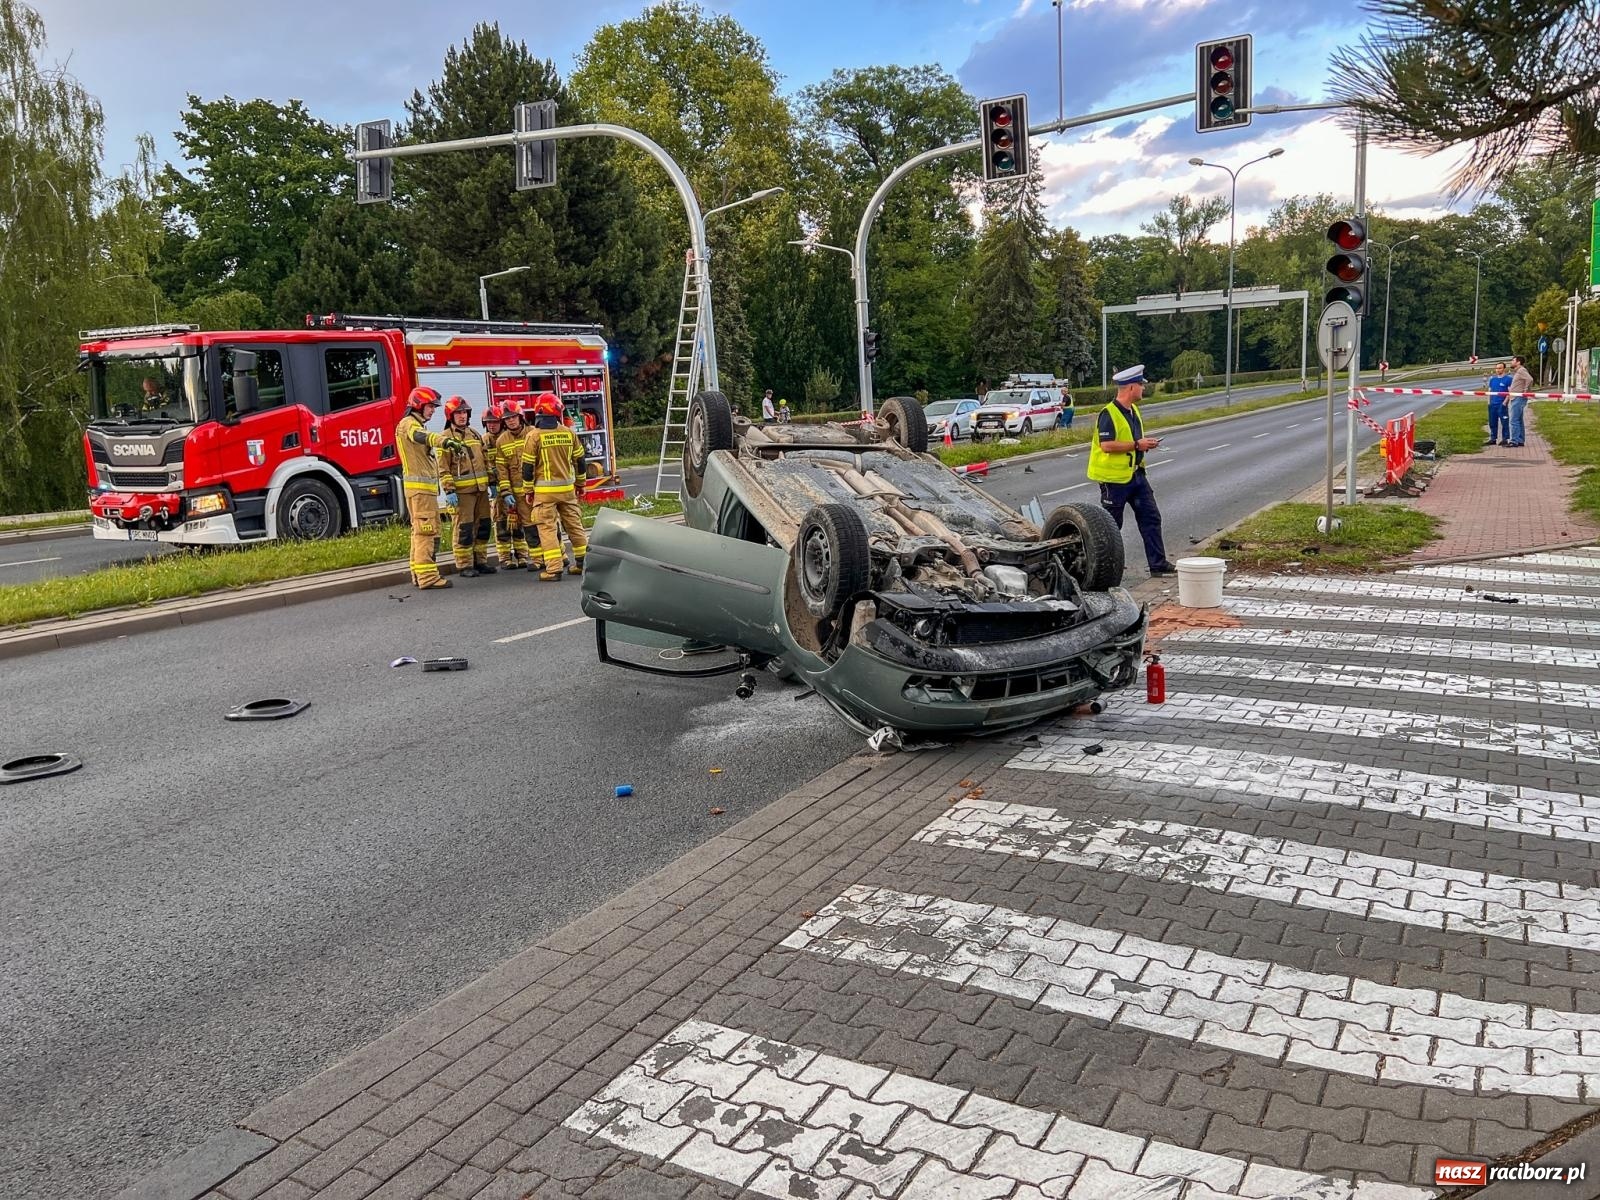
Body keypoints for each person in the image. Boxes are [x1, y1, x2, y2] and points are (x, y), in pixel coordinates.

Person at [1089, 364, 1177, 577]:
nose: (1143, 388)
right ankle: (1102, 570)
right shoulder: (1108, 413)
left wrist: (1144, 444)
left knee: (1151, 518)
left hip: (1136, 475)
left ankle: (1158, 564)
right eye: (1140, 385)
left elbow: (1133, 439)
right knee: (1111, 527)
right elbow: (1107, 445)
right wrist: (1138, 445)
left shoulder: (1134, 410)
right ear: (1130, 387)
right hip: (1114, 481)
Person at [394, 386, 465, 590]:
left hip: (422, 492)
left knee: (420, 532)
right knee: (427, 532)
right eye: (430, 406)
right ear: (419, 405)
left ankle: (419, 574)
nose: (433, 410)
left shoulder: (412, 423)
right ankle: (428, 577)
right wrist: (445, 441)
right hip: (421, 492)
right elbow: (421, 436)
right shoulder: (409, 424)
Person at [521, 392, 588, 580]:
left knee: (547, 529)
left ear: (539, 411)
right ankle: (582, 564)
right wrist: (581, 483)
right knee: (575, 527)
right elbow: (580, 461)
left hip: (544, 494)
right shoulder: (568, 433)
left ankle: (553, 569)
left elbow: (527, 467)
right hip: (567, 491)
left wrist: (528, 490)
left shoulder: (534, 436)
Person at [439, 397, 495, 577]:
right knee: (464, 529)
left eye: (464, 412)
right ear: (450, 416)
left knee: (483, 526)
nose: (462, 416)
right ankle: (465, 565)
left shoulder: (475, 434)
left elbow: (486, 460)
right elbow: (443, 468)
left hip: (481, 491)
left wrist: (492, 482)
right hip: (462, 494)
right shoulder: (445, 438)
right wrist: (449, 490)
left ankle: (481, 561)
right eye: (458, 413)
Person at [492, 399, 538, 569]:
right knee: (529, 526)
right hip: (519, 494)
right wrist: (506, 491)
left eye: (513, 417)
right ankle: (538, 559)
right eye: (507, 418)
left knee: (548, 522)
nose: (510, 421)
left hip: (539, 489)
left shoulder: (533, 433)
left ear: (520, 416)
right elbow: (502, 469)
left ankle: (559, 555)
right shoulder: (502, 440)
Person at [480, 403, 507, 566]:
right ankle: (504, 557)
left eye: (495, 421)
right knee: (500, 522)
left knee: (517, 522)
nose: (491, 425)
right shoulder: (483, 440)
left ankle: (522, 555)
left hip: (511, 487)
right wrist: (491, 482)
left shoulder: (507, 438)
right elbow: (483, 463)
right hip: (496, 488)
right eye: (488, 422)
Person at [1507, 355, 1534, 447]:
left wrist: (1525, 390)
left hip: (1518, 397)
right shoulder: (1518, 371)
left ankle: (1514, 441)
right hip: (1515, 397)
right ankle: (1520, 440)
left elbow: (1530, 379)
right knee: (1518, 419)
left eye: (1513, 360)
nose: (1511, 362)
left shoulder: (1521, 370)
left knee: (1514, 420)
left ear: (1518, 362)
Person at [1485, 362, 1512, 446]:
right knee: (1492, 422)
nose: (1498, 370)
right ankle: (1493, 438)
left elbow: (1509, 392)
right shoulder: (1493, 380)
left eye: (1500, 368)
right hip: (1492, 404)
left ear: (1504, 369)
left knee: (1504, 421)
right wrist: (1489, 402)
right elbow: (1489, 391)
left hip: (1501, 404)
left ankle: (1505, 438)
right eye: (1496, 368)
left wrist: (1504, 403)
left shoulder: (1508, 379)